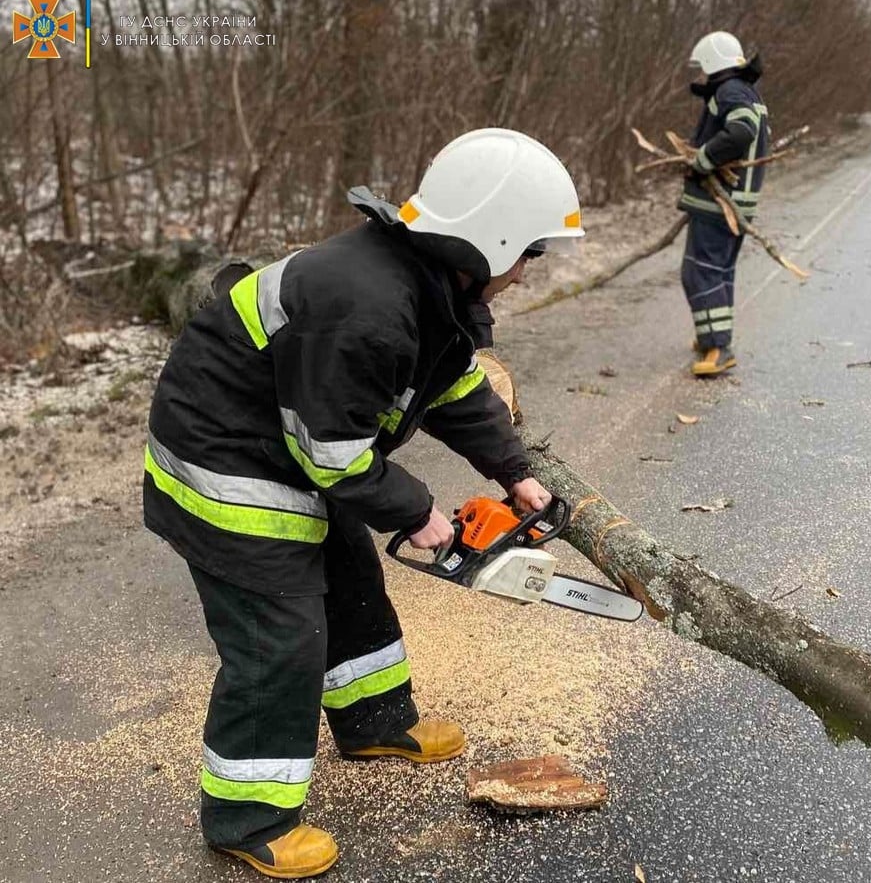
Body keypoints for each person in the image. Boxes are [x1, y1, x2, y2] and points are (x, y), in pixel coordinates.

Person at [142, 128, 584, 878]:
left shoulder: (426, 289)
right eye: (527, 254)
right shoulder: (370, 307)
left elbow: (452, 388)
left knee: (352, 582)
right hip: (226, 465)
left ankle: (376, 722)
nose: (526, 270)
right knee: (277, 643)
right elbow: (334, 453)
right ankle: (247, 818)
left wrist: (516, 473)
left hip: (292, 446)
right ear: (489, 239)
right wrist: (418, 514)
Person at [678, 30, 770, 377]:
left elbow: (741, 131)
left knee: (699, 272)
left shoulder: (730, 91)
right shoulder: (745, 91)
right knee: (717, 272)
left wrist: (702, 159)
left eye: (702, 67)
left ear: (714, 62)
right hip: (732, 205)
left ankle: (719, 346)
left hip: (720, 205)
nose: (700, 75)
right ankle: (711, 338)